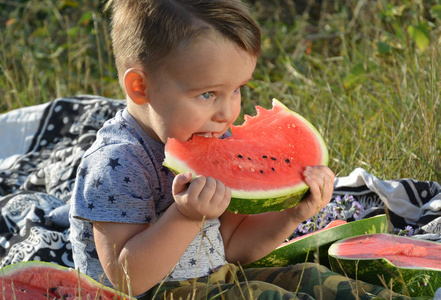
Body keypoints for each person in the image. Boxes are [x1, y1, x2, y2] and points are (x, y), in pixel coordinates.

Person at [69, 1, 407, 299]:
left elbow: (233, 248)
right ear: (140, 86)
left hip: (224, 280)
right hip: (164, 295)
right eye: (208, 94)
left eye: (237, 90)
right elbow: (128, 279)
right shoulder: (116, 163)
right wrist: (186, 216)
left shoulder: (214, 137)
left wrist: (293, 214)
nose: (227, 113)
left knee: (316, 278)